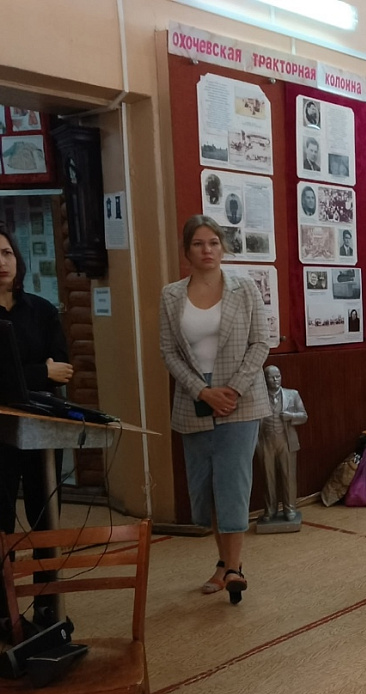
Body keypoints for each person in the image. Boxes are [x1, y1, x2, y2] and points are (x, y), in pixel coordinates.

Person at [159, 215, 270, 605]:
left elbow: (261, 343)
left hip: (241, 399)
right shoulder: (171, 295)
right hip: (195, 399)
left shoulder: (245, 288)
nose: (206, 250)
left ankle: (235, 568)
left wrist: (232, 389)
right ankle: (223, 563)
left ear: (223, 248)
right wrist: (203, 391)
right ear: (187, 251)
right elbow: (169, 352)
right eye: (198, 244)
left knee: (233, 482)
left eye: (213, 243)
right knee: (205, 486)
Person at [0, 221, 74, 639]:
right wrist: (39, 372)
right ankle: (2, 612)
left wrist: (33, 375)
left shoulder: (42, 310)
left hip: (41, 427)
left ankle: (48, 605)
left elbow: (63, 368)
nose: (1, 262)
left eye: (7, 253)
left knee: (44, 517)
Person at [255, 365, 308, 523]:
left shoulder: (292, 394)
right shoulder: (259, 398)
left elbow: (304, 416)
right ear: (265, 380)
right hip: (266, 441)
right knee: (267, 478)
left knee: (288, 476)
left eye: (277, 376)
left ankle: (290, 508)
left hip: (286, 441)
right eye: (271, 377)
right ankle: (270, 509)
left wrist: (291, 416)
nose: (275, 379)